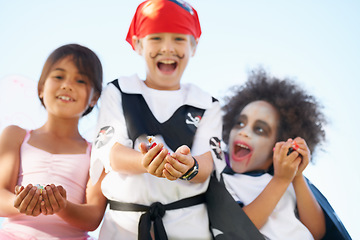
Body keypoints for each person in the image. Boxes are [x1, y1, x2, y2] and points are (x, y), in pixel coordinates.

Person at [90, 0, 222, 239]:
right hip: (124, 228)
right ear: (138, 44)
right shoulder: (119, 91)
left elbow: (207, 164)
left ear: (194, 46)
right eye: (156, 38)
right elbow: (112, 154)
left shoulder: (207, 104)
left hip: (189, 227)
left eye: (179, 38)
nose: (168, 48)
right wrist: (147, 162)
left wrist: (188, 167)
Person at [0, 43, 108, 239]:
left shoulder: (97, 152)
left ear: (94, 98)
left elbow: (93, 216)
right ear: (41, 88)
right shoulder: (15, 135)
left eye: (81, 80)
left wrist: (62, 206)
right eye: (58, 76)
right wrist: (22, 203)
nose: (67, 85)